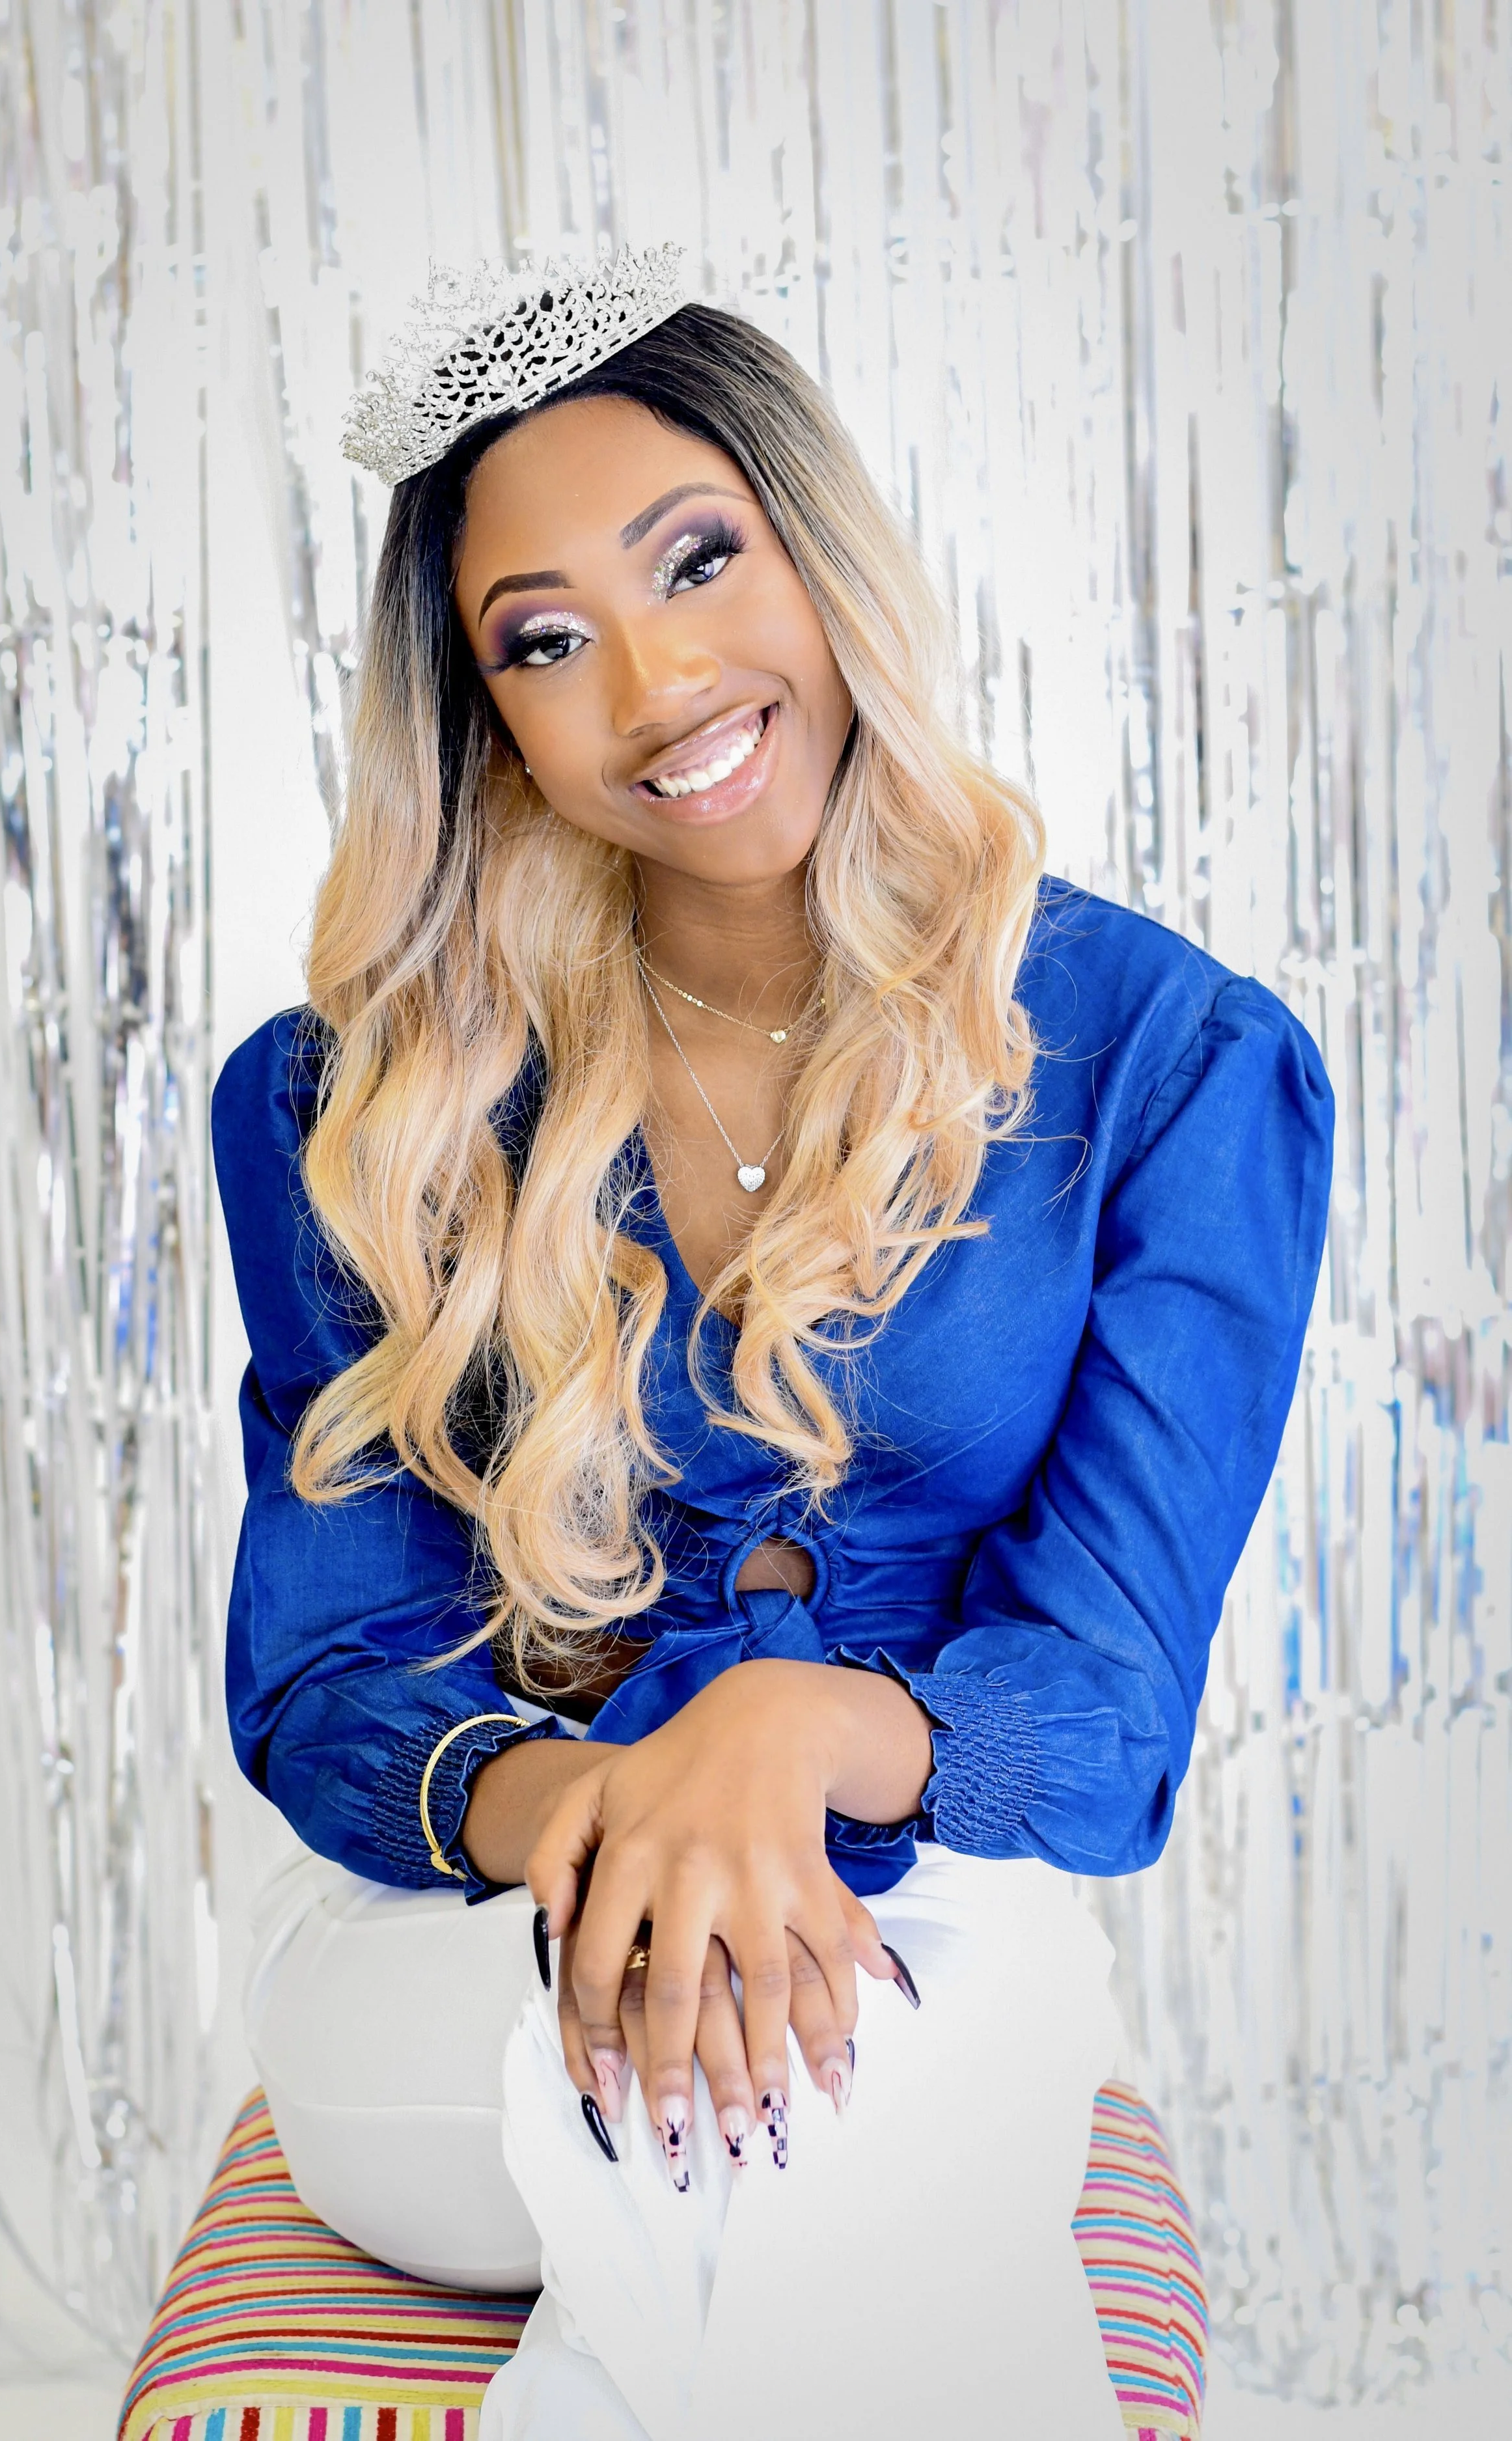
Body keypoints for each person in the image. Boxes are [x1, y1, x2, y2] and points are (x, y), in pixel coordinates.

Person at [213, 247, 1333, 2439]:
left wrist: (790, 1737)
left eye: (696, 560)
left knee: (835, 2097)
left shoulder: (1173, 1060)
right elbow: (325, 1679)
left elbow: (1105, 1710)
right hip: (469, 1941)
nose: (654, 686)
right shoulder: (353, 1098)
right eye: (545, 639)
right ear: (484, 717)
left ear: (818, 550)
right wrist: (604, 1812)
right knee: (785, 2119)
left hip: (934, 1927)